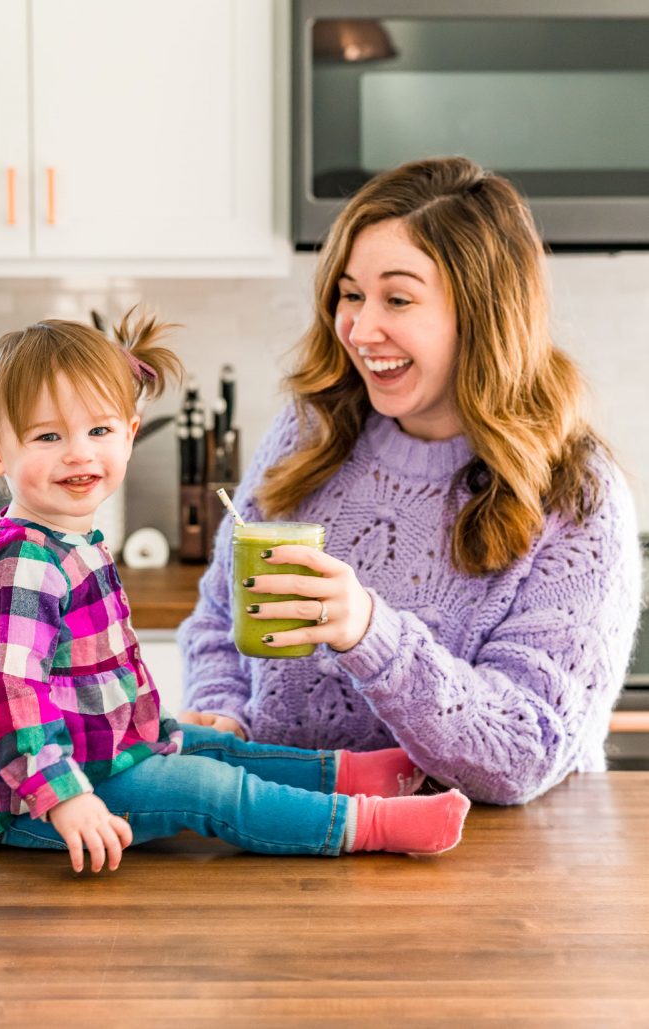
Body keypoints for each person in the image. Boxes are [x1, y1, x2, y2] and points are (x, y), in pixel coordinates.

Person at [0, 310, 470, 874]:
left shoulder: (70, 534)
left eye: (99, 430)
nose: (80, 453)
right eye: (48, 436)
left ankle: (359, 775)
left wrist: (145, 730)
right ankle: (367, 825)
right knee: (207, 786)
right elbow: (11, 693)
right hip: (21, 801)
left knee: (214, 748)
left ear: (129, 433)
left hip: (98, 755)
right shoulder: (23, 562)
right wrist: (67, 798)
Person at [178, 156, 642, 806]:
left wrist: (370, 631)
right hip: (281, 837)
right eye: (350, 294)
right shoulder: (311, 433)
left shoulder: (575, 494)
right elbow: (218, 618)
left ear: (482, 313)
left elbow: (524, 751)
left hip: (491, 876)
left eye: (398, 298)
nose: (362, 330)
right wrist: (222, 714)